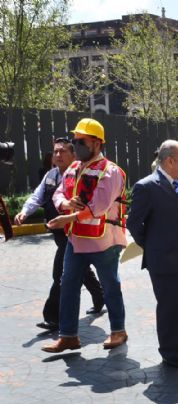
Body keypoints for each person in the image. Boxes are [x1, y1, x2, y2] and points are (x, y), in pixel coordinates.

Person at [42, 118, 128, 353]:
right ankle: (68, 336)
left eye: (81, 141)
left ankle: (118, 330)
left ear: (97, 144)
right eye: (75, 140)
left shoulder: (110, 172)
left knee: (110, 285)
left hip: (104, 241)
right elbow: (58, 193)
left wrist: (66, 219)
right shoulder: (73, 168)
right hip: (76, 239)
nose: (76, 145)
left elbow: (98, 207)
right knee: (68, 284)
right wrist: (65, 203)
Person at [126, 140, 178, 368]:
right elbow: (133, 223)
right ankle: (170, 351)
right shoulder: (146, 187)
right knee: (170, 307)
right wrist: (151, 246)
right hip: (164, 260)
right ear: (170, 161)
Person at [15, 137, 104, 332]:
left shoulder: (83, 174)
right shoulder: (51, 175)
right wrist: (24, 212)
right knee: (79, 269)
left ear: (74, 154)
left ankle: (53, 318)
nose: (58, 155)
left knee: (60, 274)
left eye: (63, 151)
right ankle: (100, 297)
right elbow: (37, 197)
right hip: (59, 231)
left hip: (76, 231)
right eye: (55, 152)